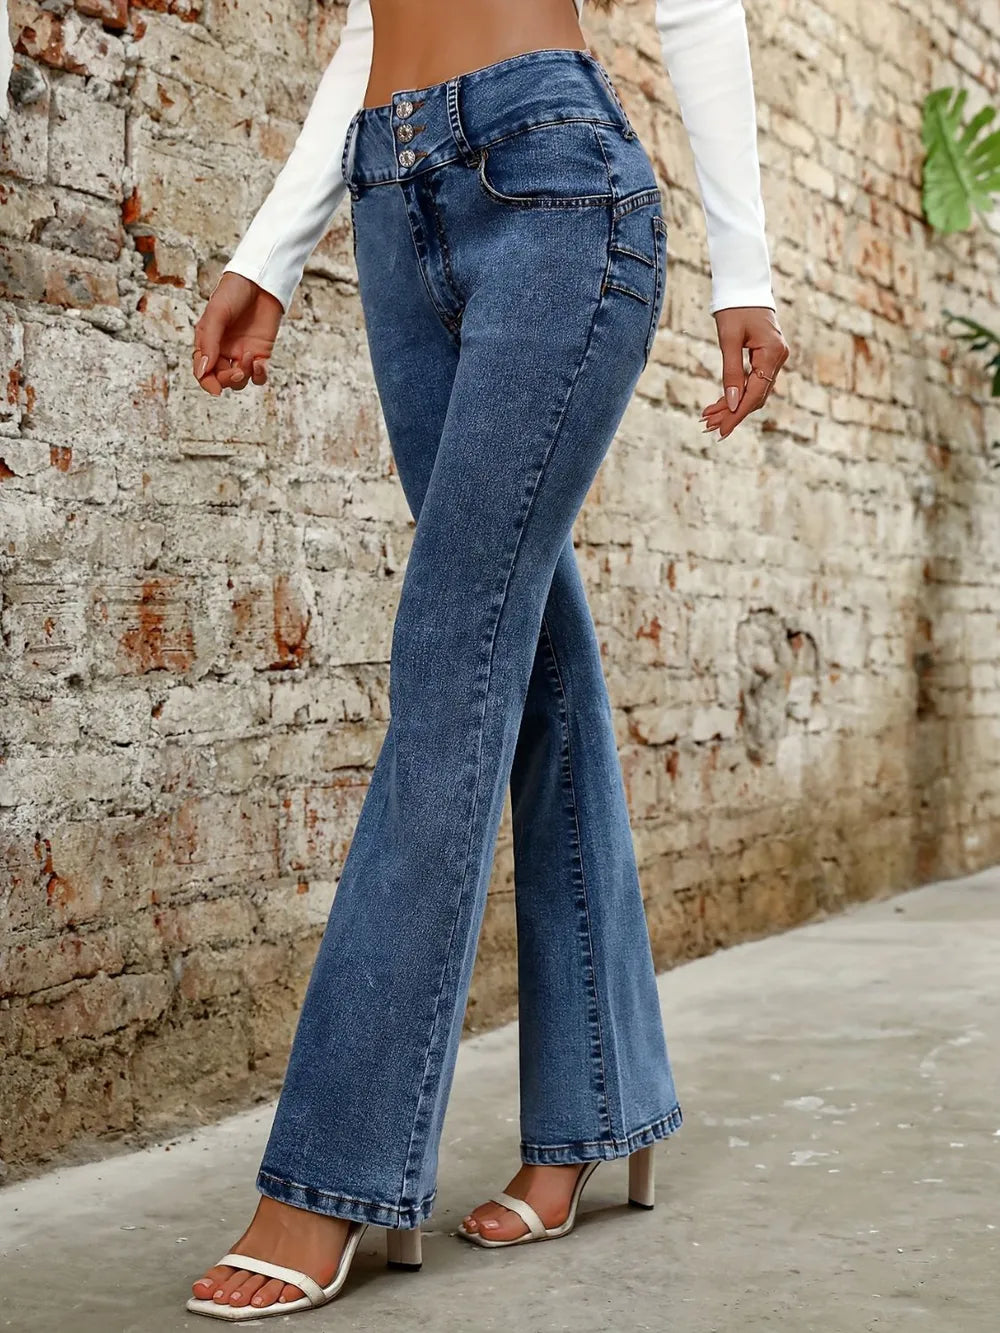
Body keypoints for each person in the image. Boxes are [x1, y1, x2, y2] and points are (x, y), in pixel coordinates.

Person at [187, 0, 789, 1319]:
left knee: (450, 662)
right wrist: (270, 254)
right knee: (532, 664)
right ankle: (597, 1106)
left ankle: (331, 1174)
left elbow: (696, 4)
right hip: (389, 199)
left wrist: (744, 272)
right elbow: (369, 27)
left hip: (552, 184)